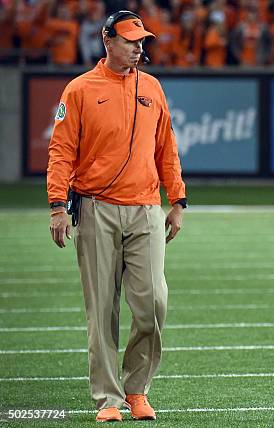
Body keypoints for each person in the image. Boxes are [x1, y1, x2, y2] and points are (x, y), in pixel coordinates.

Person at [47, 10, 187, 423]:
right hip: (95, 210)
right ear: (107, 41)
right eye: (130, 40)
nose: (138, 47)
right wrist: (58, 205)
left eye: (141, 40)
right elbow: (61, 151)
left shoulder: (153, 87)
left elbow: (167, 146)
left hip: (146, 209)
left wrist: (177, 199)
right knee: (102, 310)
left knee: (153, 303)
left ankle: (136, 388)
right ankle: (109, 399)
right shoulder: (79, 89)